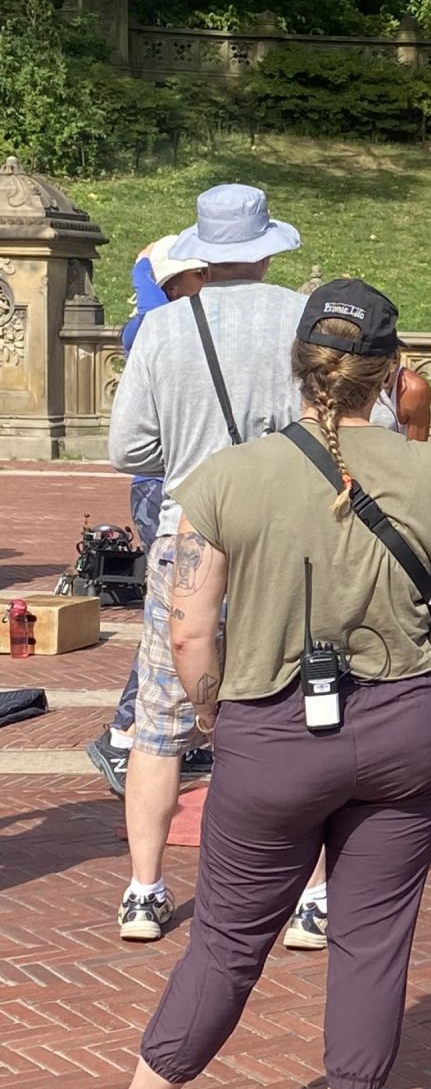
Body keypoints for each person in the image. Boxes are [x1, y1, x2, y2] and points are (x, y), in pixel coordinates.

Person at [37, 279, 431, 1089]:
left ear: (300, 367)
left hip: (275, 726)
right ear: (391, 373)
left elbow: (188, 632)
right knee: (373, 936)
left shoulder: (229, 478)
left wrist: (219, 718)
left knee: (228, 935)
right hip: (413, 723)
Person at [107, 183, 310, 945]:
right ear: (265, 251)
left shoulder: (163, 328)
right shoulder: (302, 318)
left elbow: (128, 448)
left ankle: (144, 889)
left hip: (188, 535)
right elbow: (368, 422)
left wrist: (192, 450)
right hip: (286, 539)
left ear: (201, 254)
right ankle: (313, 896)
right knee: (299, 710)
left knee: (160, 720)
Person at [87, 236, 211, 795]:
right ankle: (124, 734)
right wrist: (145, 265)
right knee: (176, 618)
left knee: (188, 617)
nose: (210, 281)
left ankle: (168, 733)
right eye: (201, 273)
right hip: (164, 487)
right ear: (177, 283)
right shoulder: (158, 326)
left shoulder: (179, 320)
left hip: (174, 484)